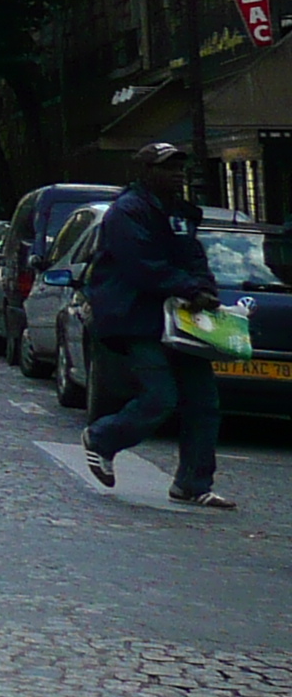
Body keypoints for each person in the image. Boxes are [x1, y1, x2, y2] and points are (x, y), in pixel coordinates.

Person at [81, 141, 233, 508]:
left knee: (203, 403)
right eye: (168, 168)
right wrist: (189, 288)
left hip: (185, 320)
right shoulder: (127, 213)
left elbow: (194, 256)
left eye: (180, 168)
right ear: (145, 172)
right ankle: (102, 438)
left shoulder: (180, 214)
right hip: (140, 318)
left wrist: (204, 288)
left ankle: (193, 484)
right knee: (159, 396)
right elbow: (141, 266)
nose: (177, 174)